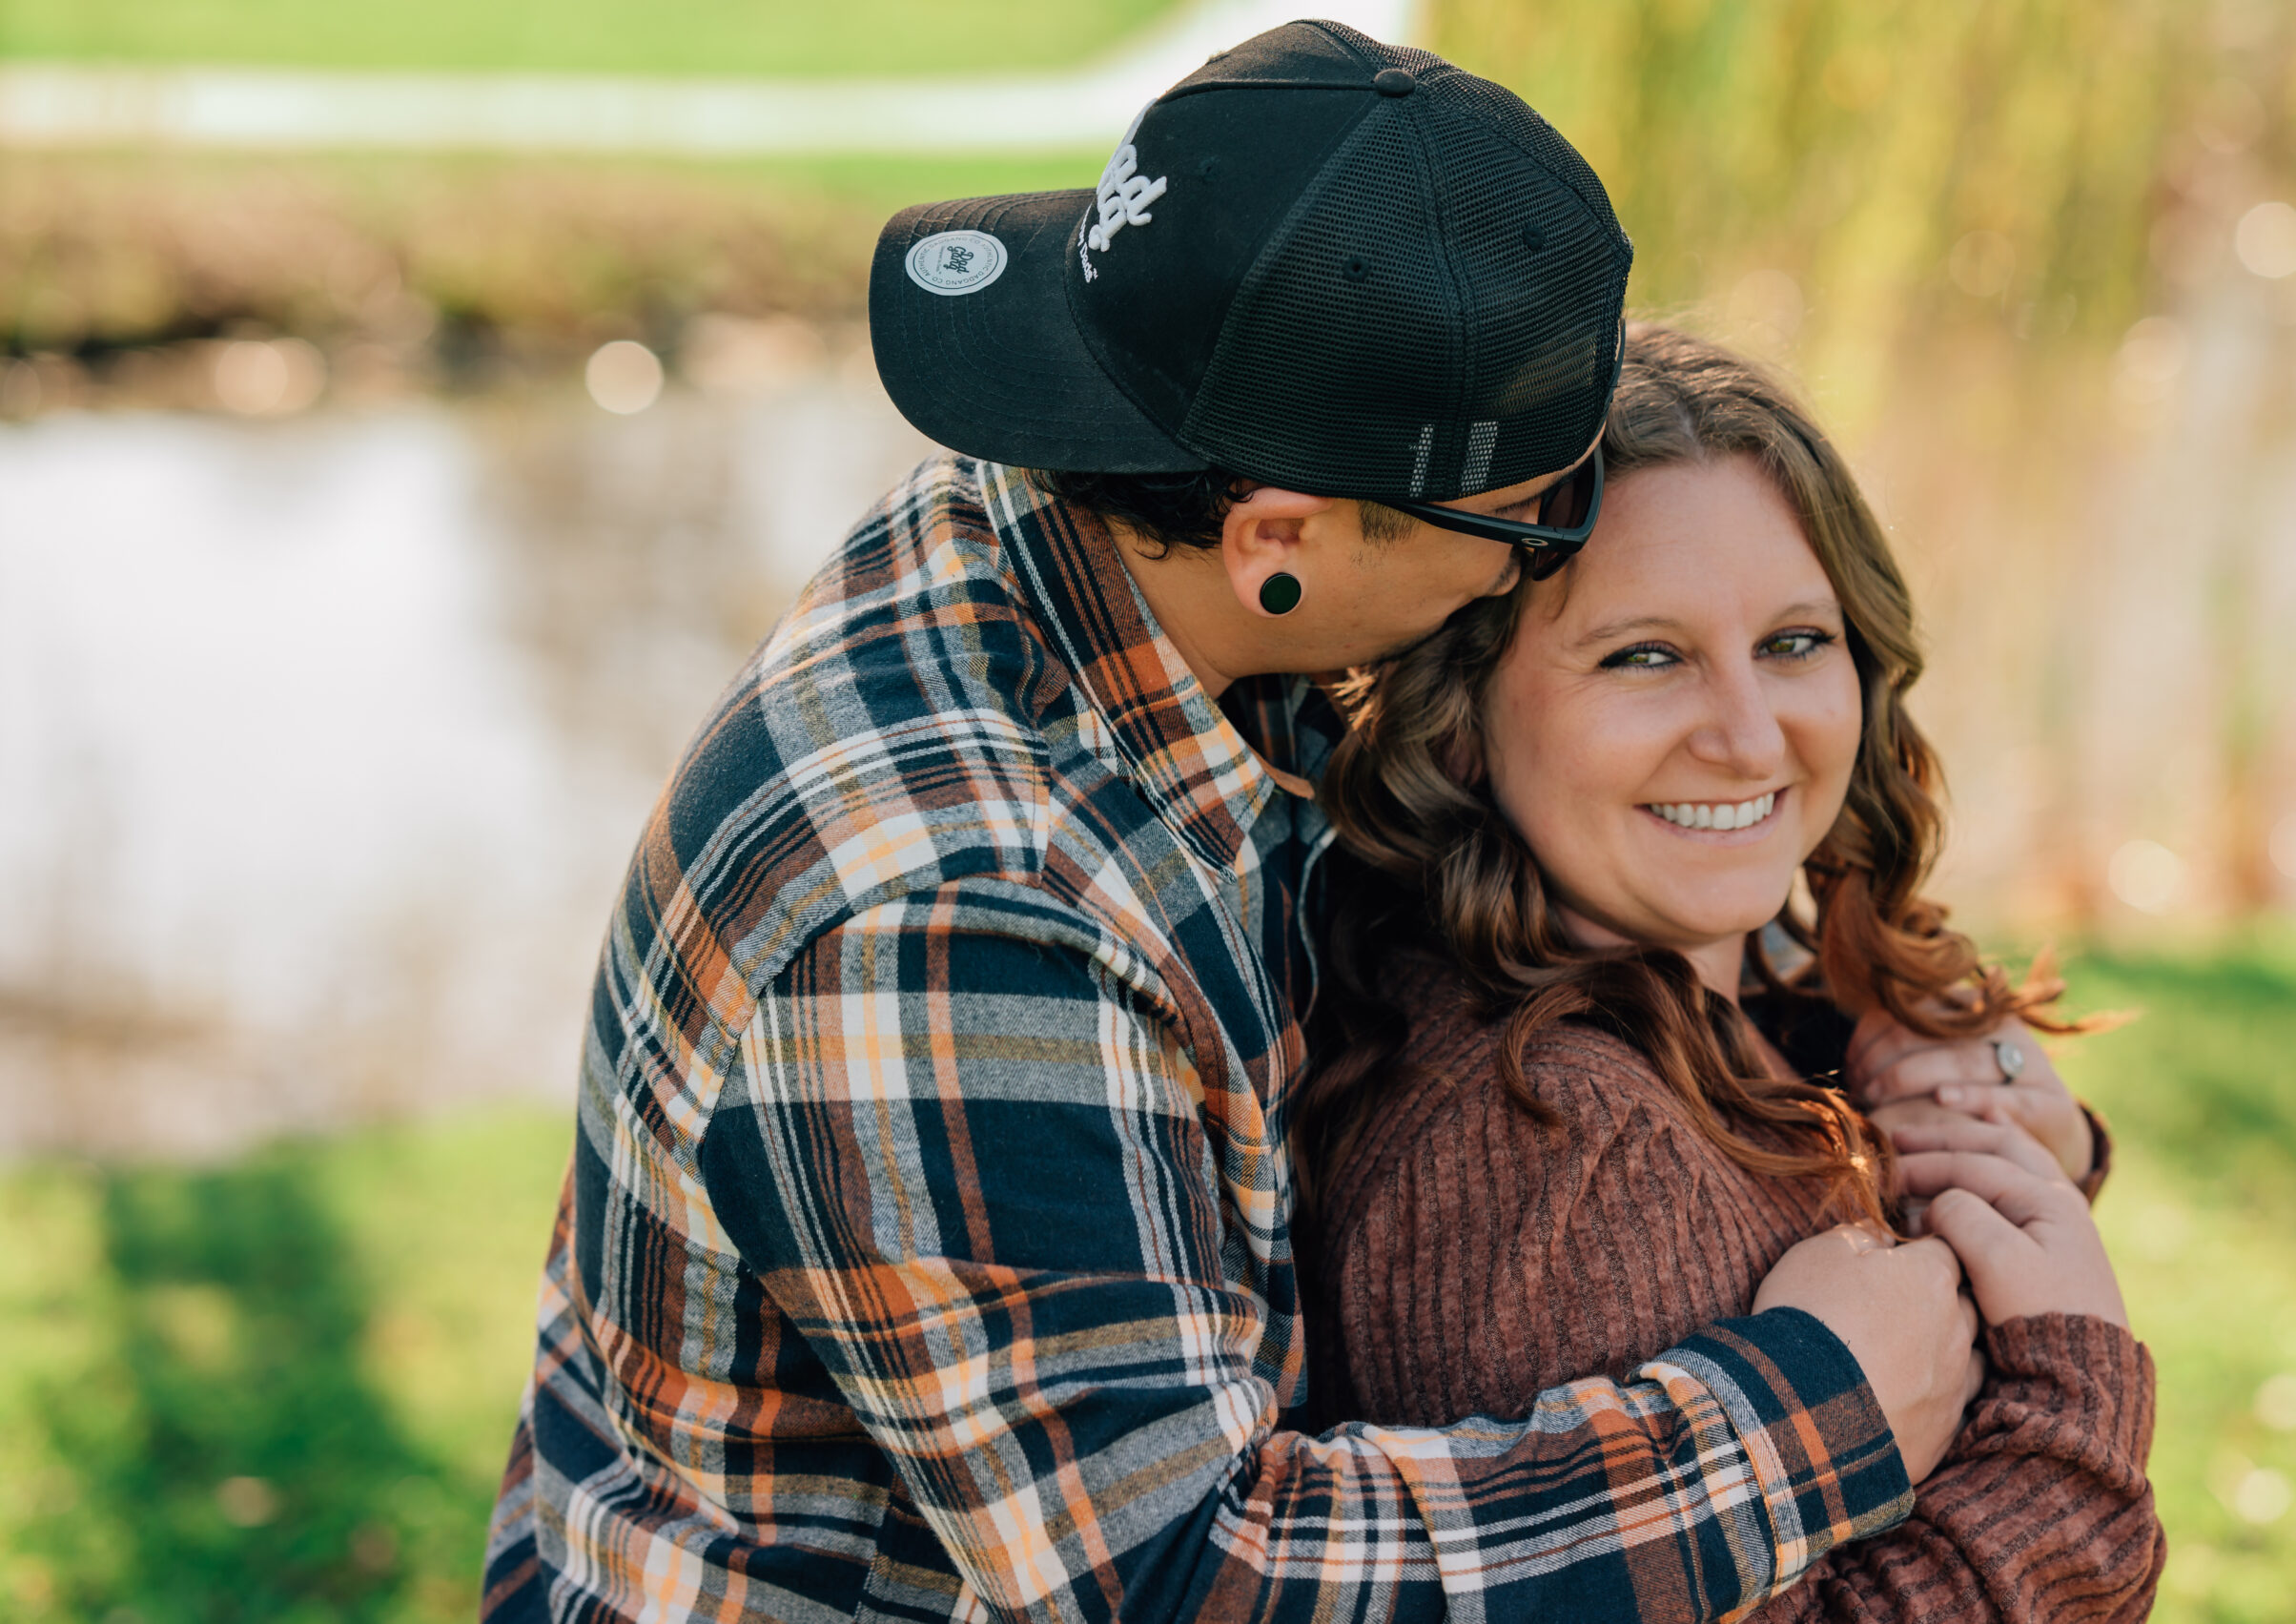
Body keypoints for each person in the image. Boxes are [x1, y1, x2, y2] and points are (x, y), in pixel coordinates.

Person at [482, 27, 1982, 1622]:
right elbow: (1187, 1577)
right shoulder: (954, 916)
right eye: (1538, 525)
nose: (1548, 561)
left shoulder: (1109, 536)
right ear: (1280, 537)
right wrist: (1801, 1415)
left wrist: (1892, 1026)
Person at [1300, 324, 2165, 1620]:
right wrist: (2070, 1406)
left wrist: (1983, 1150)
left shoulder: (1703, 992)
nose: (1751, 734)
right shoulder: (1564, 1147)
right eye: (1643, 655)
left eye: (1796, 642)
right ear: (1461, 717)